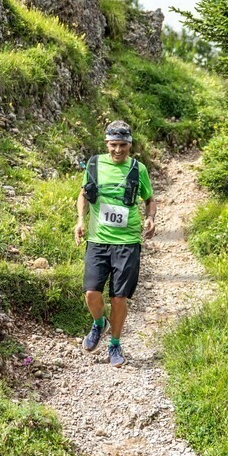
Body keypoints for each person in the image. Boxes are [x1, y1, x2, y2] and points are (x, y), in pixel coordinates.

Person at [73, 120, 156, 367]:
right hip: (98, 239)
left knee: (120, 298)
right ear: (106, 144)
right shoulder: (94, 164)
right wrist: (80, 220)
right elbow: (83, 194)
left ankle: (115, 345)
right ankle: (99, 323)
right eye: (113, 145)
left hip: (128, 241)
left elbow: (149, 199)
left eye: (123, 145)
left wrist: (150, 218)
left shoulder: (138, 169)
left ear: (130, 145)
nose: (118, 150)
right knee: (91, 293)